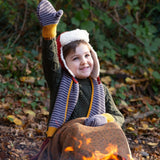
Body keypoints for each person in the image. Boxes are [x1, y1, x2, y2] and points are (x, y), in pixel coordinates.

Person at [30, 1, 133, 159]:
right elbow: (49, 61)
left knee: (114, 129)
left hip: (95, 141)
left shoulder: (101, 89)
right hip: (67, 141)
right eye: (76, 58)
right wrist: (49, 31)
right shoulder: (60, 82)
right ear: (65, 63)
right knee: (78, 129)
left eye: (87, 55)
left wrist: (103, 118)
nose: (84, 61)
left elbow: (118, 117)